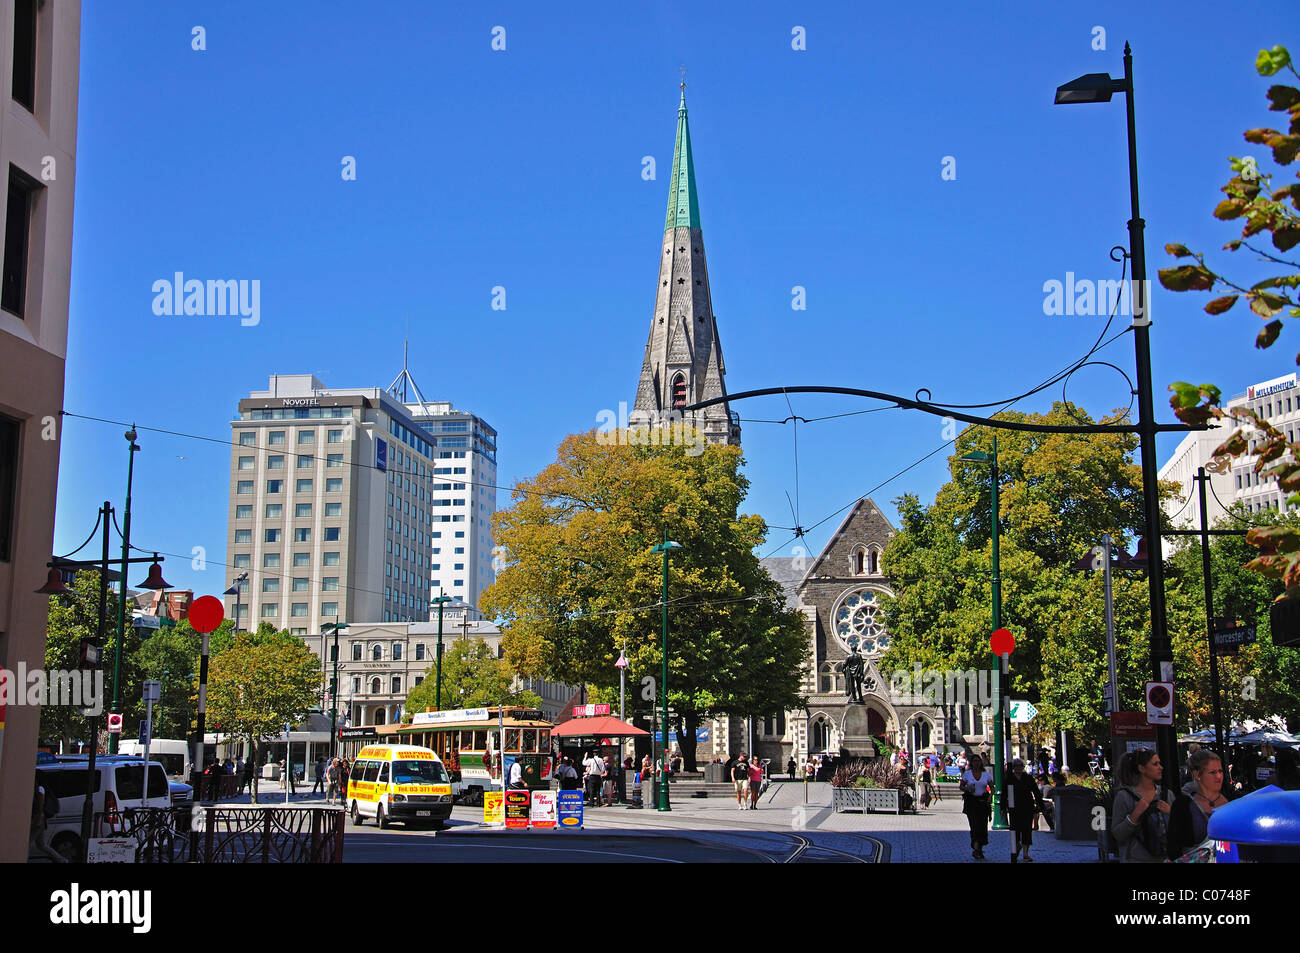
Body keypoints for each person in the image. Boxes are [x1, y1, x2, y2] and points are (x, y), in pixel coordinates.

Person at [1112, 749, 1174, 863]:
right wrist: (1134, 816)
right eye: (1155, 764)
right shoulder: (1124, 796)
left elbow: (1181, 829)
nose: (1161, 767)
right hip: (1136, 859)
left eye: (1159, 763)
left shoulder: (1167, 794)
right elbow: (1118, 835)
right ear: (1142, 769)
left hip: (1165, 858)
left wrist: (1171, 812)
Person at [1167, 748, 1229, 860]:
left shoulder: (1232, 802)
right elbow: (1173, 848)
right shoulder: (1183, 805)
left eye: (1220, 771)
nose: (1219, 777)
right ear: (1197, 774)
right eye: (1212, 772)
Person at [1004, 758, 1046, 862]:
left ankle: (1026, 853)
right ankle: (1017, 846)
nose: (1018, 768)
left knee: (1027, 830)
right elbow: (1004, 793)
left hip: (1027, 807)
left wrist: (1041, 806)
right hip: (1014, 808)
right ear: (1013, 768)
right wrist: (1003, 807)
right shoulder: (1010, 778)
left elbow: (1036, 792)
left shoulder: (1028, 778)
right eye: (1016, 766)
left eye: (1020, 766)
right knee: (1015, 830)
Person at [959, 753, 994, 859]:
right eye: (974, 761)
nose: (977, 763)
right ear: (971, 763)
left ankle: (979, 848)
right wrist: (968, 789)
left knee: (982, 826)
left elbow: (992, 787)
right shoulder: (967, 774)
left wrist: (990, 796)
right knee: (974, 825)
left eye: (978, 761)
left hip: (982, 801)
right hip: (972, 802)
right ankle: (976, 848)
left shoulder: (986, 774)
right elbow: (961, 786)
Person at [30, 778, 66, 863]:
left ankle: (62, 860)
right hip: (40, 819)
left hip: (38, 818)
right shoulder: (40, 789)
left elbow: (40, 804)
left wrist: (39, 817)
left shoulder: (39, 789)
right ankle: (61, 860)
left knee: (28, 842)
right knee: (41, 844)